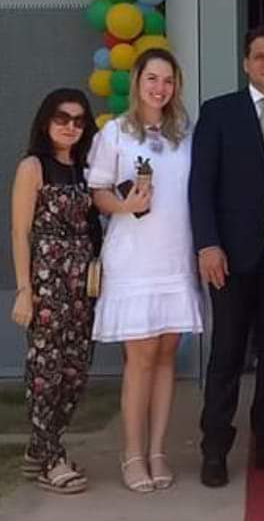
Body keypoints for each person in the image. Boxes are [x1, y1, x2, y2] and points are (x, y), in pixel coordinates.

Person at [88, 48, 203, 493]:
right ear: (137, 81)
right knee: (140, 358)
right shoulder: (115, 133)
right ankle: (132, 454)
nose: (160, 88)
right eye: (152, 79)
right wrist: (125, 205)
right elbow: (97, 192)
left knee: (167, 355)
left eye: (168, 81)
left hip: (174, 257)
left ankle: (158, 451)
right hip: (133, 259)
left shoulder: (184, 134)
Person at [188, 26, 264, 489]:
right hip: (230, 257)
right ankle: (215, 448)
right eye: (260, 56)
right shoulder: (218, 113)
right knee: (227, 356)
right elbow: (200, 186)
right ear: (246, 63)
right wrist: (207, 244)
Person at [10, 89, 100, 494]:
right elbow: (19, 231)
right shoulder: (34, 167)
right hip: (47, 281)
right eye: (63, 118)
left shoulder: (87, 167)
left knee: (75, 371)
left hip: (83, 282)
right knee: (46, 371)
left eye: (79, 121)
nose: (70, 127)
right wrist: (24, 289)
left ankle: (40, 448)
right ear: (47, 120)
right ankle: (51, 459)